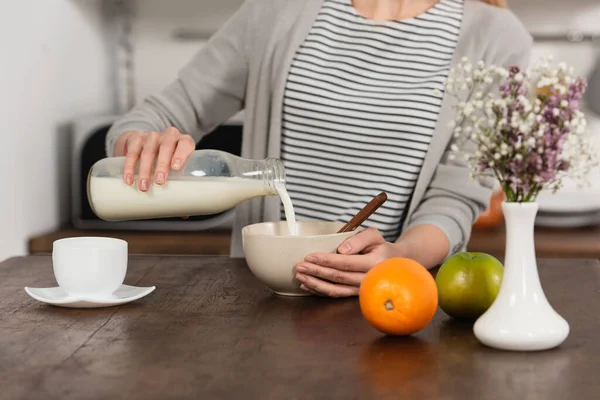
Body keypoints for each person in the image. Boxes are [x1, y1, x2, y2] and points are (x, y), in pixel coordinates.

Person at [105, 0, 532, 297]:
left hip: (390, 301)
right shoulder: (277, 11)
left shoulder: (496, 37)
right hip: (258, 301)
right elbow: (158, 114)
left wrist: (399, 257)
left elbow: (456, 197)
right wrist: (142, 147)